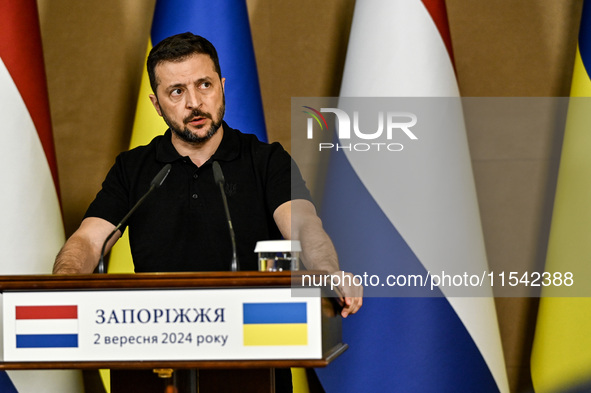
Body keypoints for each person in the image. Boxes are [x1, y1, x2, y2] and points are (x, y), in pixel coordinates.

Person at [53, 31, 362, 392]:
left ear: (222, 85)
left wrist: (327, 271)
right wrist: (63, 284)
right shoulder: (133, 169)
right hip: (155, 358)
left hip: (255, 356)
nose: (195, 103)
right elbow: (89, 240)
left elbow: (304, 226)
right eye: (177, 91)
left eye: (204, 85)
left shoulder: (266, 161)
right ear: (157, 104)